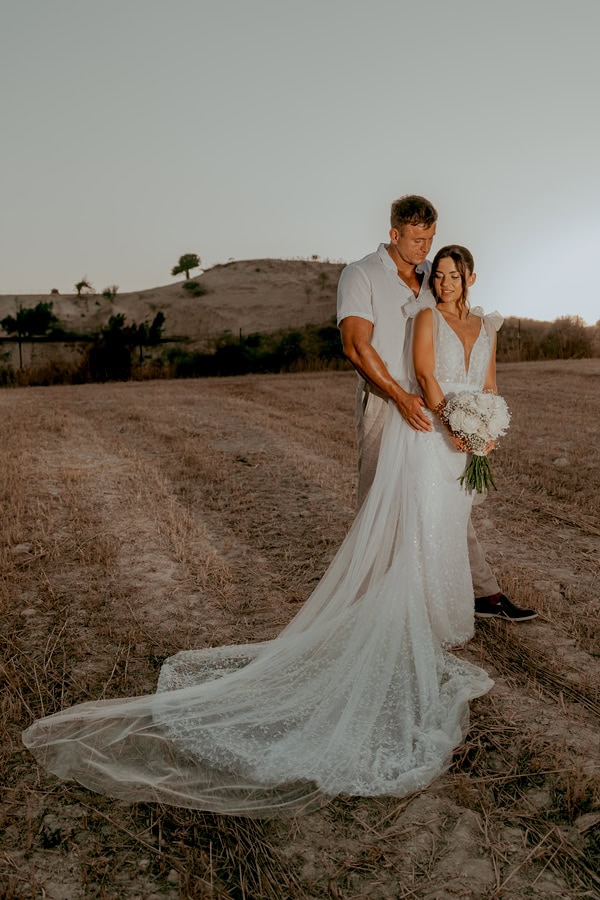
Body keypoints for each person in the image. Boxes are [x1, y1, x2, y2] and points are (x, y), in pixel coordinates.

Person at [22, 243, 501, 818]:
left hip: (467, 446)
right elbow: (425, 373)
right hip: (436, 437)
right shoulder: (424, 315)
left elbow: (490, 383)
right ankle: (411, 622)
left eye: (454, 273)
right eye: (439, 272)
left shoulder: (487, 323)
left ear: (470, 276)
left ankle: (445, 616)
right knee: (422, 530)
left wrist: (487, 431)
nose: (445, 280)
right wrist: (454, 427)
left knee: (451, 528)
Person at [337, 195, 536, 623]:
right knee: (379, 503)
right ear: (394, 234)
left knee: (445, 499)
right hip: (387, 400)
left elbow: (458, 319)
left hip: (435, 403)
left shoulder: (432, 276)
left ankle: (482, 592)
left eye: (429, 239)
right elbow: (356, 345)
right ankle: (371, 605)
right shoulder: (361, 274)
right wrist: (400, 395)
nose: (423, 249)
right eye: (415, 240)